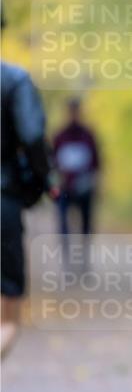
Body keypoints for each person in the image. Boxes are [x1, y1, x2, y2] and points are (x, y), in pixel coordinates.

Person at [1, 57, 53, 358]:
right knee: (6, 320)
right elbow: (32, 135)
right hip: (3, 201)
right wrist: (46, 180)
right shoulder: (14, 78)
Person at [52, 97, 100, 268]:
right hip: (64, 188)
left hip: (84, 188)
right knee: (63, 224)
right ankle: (67, 262)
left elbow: (96, 162)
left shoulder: (88, 135)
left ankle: (84, 260)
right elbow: (52, 162)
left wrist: (93, 182)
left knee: (86, 224)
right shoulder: (59, 136)